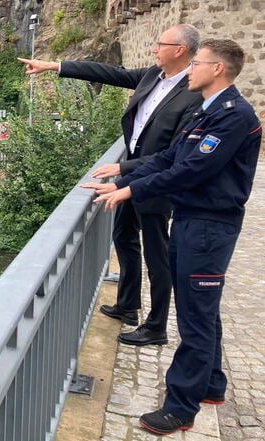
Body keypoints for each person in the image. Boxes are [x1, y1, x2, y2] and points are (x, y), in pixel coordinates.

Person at [82, 39, 261, 435]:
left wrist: (129, 191)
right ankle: (212, 385)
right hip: (191, 220)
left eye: (196, 63)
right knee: (203, 310)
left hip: (209, 228)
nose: (189, 70)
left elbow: (190, 171)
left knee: (195, 317)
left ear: (218, 69)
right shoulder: (206, 110)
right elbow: (170, 157)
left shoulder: (232, 116)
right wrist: (123, 171)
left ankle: (181, 407)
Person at [18, 24, 203, 346]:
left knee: (157, 255)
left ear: (180, 50)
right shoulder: (151, 75)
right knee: (124, 237)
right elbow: (107, 73)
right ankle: (128, 305)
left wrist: (124, 166)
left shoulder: (193, 94)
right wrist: (54, 66)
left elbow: (174, 155)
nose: (154, 49)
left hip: (156, 181)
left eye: (161, 44)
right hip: (130, 176)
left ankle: (156, 326)